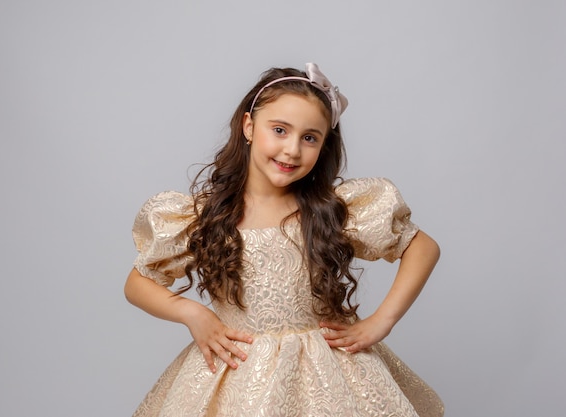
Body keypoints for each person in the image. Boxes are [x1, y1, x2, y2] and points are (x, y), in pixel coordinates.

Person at [124, 63, 444, 417]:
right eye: (279, 130)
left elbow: (423, 247)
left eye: (310, 138)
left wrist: (383, 320)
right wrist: (191, 313)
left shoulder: (333, 211)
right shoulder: (205, 217)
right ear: (249, 126)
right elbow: (137, 284)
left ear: (323, 146)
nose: (292, 149)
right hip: (241, 375)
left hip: (328, 379)